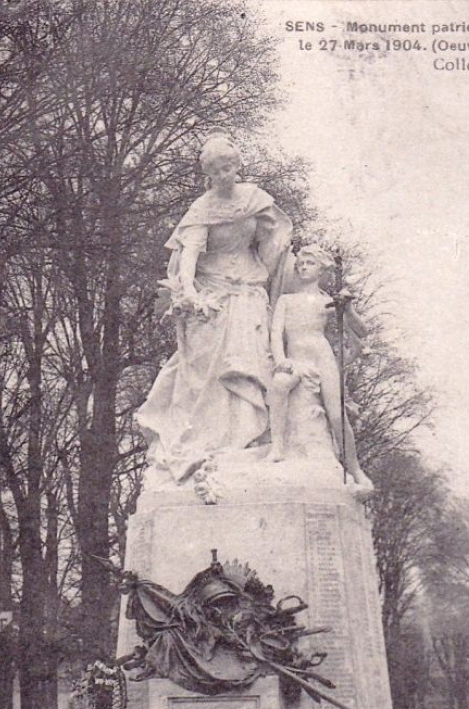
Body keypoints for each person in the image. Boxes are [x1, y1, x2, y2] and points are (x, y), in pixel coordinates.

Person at [137, 132, 292, 485]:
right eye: (215, 170)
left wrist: (279, 266)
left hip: (250, 287)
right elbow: (189, 253)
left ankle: (249, 438)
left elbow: (274, 242)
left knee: (252, 358)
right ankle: (216, 441)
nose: (224, 174)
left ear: (237, 165)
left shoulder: (256, 199)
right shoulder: (202, 209)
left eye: (228, 167)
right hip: (214, 291)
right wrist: (188, 289)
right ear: (207, 174)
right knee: (211, 369)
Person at [268, 244, 372, 489]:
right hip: (295, 357)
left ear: (322, 269)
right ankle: (277, 446)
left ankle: (355, 470)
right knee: (279, 385)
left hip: (322, 357)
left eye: (310, 263)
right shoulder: (286, 300)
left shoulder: (329, 301)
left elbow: (362, 330)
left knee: (337, 415)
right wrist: (280, 359)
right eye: (301, 264)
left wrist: (348, 308)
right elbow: (275, 332)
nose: (304, 267)